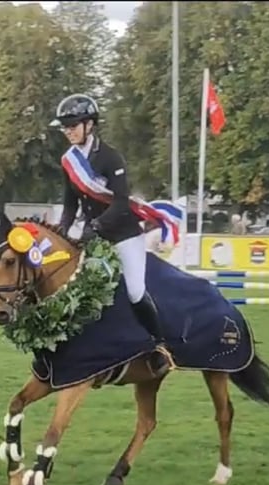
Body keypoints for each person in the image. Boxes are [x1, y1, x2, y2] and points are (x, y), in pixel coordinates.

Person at [50, 93, 175, 371]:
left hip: (124, 234)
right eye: (65, 127)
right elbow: (70, 203)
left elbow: (120, 203)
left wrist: (95, 227)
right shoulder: (68, 160)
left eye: (73, 125)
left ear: (89, 125)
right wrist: (61, 229)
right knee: (76, 287)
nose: (68, 131)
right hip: (93, 234)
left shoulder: (110, 157)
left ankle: (159, 346)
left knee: (134, 291)